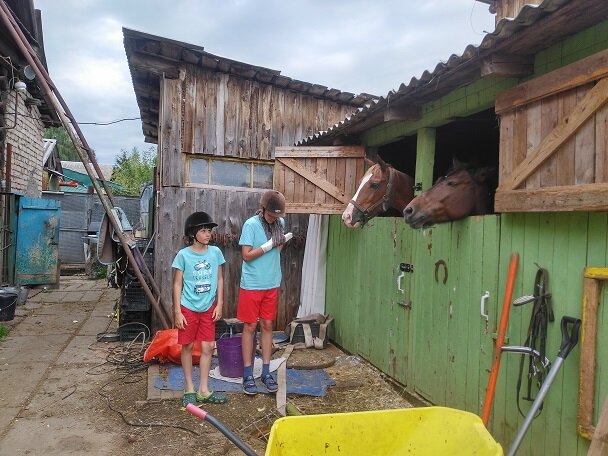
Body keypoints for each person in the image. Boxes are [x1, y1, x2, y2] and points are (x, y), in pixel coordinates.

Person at [237, 190, 292, 395]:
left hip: (271, 281)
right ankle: (247, 374)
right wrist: (267, 246)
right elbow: (246, 256)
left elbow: (278, 250)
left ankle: (266, 372)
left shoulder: (281, 224)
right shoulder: (251, 225)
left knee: (267, 325)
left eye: (277, 215)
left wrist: (278, 243)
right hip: (252, 284)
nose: (274, 218)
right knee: (250, 326)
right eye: (271, 215)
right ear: (262, 209)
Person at [172, 211, 227, 409]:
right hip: (188, 307)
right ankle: (189, 389)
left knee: (207, 348)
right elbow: (177, 284)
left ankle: (203, 390)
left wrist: (219, 304)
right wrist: (177, 311)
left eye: (209, 231)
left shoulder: (215, 253)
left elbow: (220, 279)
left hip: (208, 308)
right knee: (187, 346)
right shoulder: (183, 255)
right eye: (203, 231)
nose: (208, 234)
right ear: (193, 233)